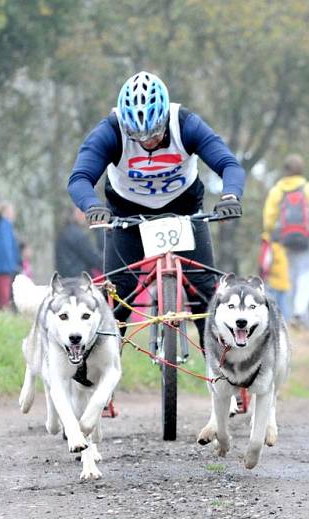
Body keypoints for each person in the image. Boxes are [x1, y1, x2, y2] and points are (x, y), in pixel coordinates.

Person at [67, 71, 245, 349]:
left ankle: (222, 368)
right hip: (127, 213)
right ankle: (99, 369)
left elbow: (229, 165)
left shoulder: (186, 124)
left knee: (204, 291)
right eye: (138, 136)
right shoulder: (110, 131)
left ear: (164, 119)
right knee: (118, 296)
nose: (147, 142)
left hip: (183, 209)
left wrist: (231, 195)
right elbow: (79, 178)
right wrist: (93, 206)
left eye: (154, 134)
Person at [262, 154, 309, 327]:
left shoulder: (277, 191)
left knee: (293, 276)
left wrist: (272, 236)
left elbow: (269, 219)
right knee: (307, 276)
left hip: (287, 242)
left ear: (285, 170)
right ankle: (299, 314)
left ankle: (302, 318)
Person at [55, 207, 102, 278]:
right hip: (78, 281)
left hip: (66, 280)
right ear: (77, 214)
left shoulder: (64, 232)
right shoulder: (77, 235)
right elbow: (93, 258)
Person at [258, 234, 291, 319]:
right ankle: (284, 325)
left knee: (271, 307)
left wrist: (262, 277)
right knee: (283, 307)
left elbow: (264, 264)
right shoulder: (281, 249)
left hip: (272, 282)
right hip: (284, 283)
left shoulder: (269, 248)